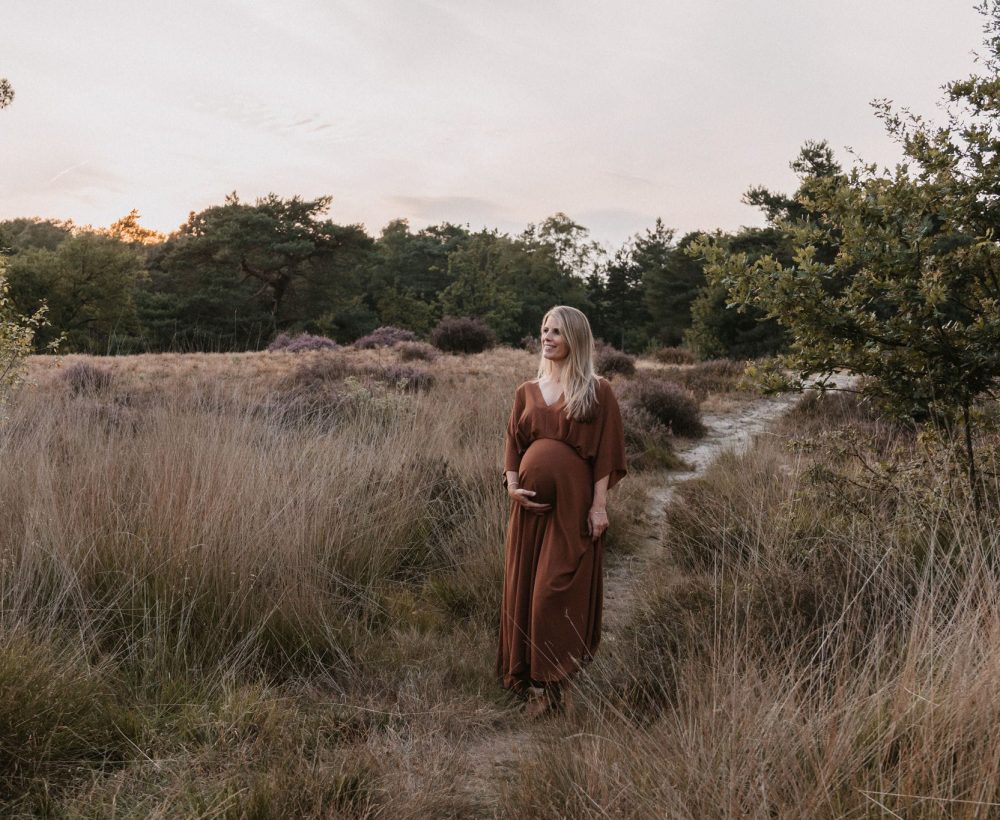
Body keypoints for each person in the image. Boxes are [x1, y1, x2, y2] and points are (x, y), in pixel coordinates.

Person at [497, 305, 627, 717]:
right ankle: (538, 690)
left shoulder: (597, 390)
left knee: (554, 592)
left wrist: (599, 506)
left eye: (557, 331)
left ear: (576, 339)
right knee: (525, 592)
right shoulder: (526, 391)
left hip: (572, 508)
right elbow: (513, 448)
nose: (547, 337)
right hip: (529, 511)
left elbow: (606, 454)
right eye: (544, 330)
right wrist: (513, 486)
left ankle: (561, 678)